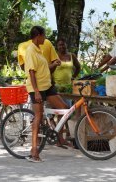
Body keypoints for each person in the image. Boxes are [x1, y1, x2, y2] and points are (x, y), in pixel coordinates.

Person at [25, 26, 69, 163]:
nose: (45, 38)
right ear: (38, 35)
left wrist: (54, 64)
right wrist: (37, 91)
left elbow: (43, 69)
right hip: (36, 88)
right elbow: (31, 72)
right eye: (43, 36)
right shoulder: (31, 50)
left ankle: (56, 135)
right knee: (38, 116)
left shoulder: (39, 49)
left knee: (65, 109)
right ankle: (34, 150)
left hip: (48, 86)